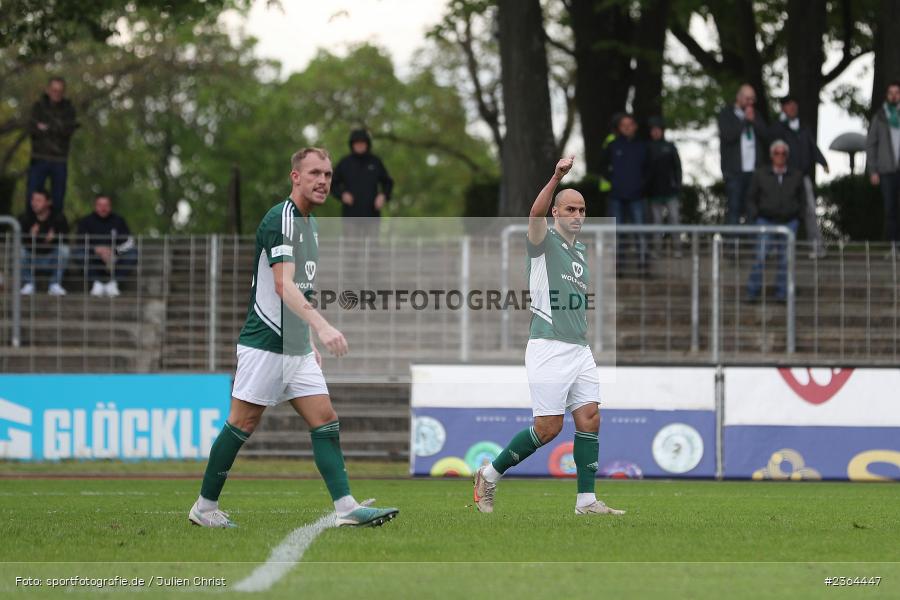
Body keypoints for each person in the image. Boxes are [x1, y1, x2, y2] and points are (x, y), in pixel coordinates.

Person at [188, 147, 398, 529]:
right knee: (242, 423)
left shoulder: (310, 225)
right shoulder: (281, 219)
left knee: (325, 420)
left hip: (296, 349)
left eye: (328, 175)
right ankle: (204, 508)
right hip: (266, 343)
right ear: (295, 177)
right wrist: (323, 327)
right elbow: (283, 285)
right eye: (315, 173)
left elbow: (302, 289)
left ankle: (346, 507)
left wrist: (309, 341)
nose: (323, 181)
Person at [472, 156, 624, 517]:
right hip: (549, 346)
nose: (577, 215)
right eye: (570, 209)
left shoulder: (580, 251)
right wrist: (556, 176)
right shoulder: (543, 242)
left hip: (579, 349)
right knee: (548, 428)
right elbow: (534, 215)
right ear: (556, 212)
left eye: (582, 210)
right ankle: (489, 474)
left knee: (590, 417)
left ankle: (586, 501)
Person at [745, 140, 804, 302]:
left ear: (787, 156)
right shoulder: (760, 174)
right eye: (777, 153)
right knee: (761, 256)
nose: (780, 156)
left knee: (786, 260)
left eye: (783, 153)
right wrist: (756, 215)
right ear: (772, 155)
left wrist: (798, 217)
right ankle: (752, 291)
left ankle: (782, 293)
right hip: (766, 220)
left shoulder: (796, 175)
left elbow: (802, 199)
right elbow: (751, 197)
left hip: (789, 221)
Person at [771, 96, 829, 257]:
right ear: (783, 109)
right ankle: (777, 247)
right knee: (781, 210)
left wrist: (822, 161)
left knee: (810, 210)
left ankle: (816, 247)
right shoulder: (779, 127)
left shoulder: (803, 127)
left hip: (803, 176)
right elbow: (771, 143)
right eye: (789, 106)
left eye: (794, 106)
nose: (792, 109)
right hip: (785, 177)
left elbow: (812, 146)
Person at [603, 114, 649, 273]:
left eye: (630, 124)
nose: (627, 128)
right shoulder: (612, 146)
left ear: (635, 126)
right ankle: (618, 268)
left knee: (640, 232)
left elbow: (649, 169)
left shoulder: (643, 146)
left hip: (638, 196)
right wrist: (614, 181)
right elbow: (602, 167)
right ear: (619, 128)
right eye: (624, 125)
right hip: (616, 196)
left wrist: (642, 185)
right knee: (617, 233)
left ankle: (643, 267)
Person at [26, 77, 79, 215]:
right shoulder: (38, 107)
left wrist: (46, 128)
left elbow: (68, 130)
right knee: (32, 196)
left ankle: (55, 226)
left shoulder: (69, 110)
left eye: (60, 91)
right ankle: (30, 225)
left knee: (58, 199)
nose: (56, 93)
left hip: (59, 160)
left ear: (63, 92)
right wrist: (56, 128)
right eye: (54, 90)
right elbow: (32, 129)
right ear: (48, 90)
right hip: (39, 158)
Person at [718, 84, 768, 225]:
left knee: (753, 210)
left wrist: (754, 121)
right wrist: (745, 121)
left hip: (754, 172)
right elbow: (728, 136)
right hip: (734, 173)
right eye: (747, 99)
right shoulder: (726, 114)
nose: (750, 102)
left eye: (753, 99)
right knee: (734, 210)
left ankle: (751, 239)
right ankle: (733, 239)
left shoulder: (756, 115)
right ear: (738, 97)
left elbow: (766, 136)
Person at [331, 129, 393, 240]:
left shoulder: (375, 162)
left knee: (373, 246)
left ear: (367, 144)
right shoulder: (345, 163)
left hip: (372, 214)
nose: (359, 145)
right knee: (351, 246)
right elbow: (332, 183)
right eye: (357, 142)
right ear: (352, 144)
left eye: (362, 142)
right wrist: (342, 194)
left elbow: (388, 182)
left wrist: (383, 195)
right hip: (351, 215)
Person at [75, 194, 137, 298]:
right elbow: (79, 241)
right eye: (100, 205)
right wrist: (95, 249)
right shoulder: (85, 221)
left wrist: (113, 251)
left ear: (110, 206)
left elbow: (129, 242)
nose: (103, 208)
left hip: (115, 259)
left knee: (133, 254)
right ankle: (96, 283)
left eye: (106, 205)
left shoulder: (119, 220)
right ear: (95, 206)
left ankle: (113, 284)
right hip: (92, 258)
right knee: (78, 254)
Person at [866, 81, 900, 244]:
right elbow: (871, 144)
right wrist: (873, 170)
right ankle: (894, 246)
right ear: (887, 95)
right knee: (890, 209)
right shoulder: (879, 117)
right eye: (891, 93)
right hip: (886, 171)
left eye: (897, 92)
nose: (894, 96)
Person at [18, 188, 69, 296]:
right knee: (19, 250)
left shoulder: (59, 217)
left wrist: (54, 238)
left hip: (51, 258)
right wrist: (30, 236)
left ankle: (54, 284)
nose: (34, 203)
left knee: (64, 250)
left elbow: (66, 239)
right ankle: (29, 283)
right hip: (31, 257)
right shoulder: (25, 217)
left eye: (38, 200)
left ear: (48, 202)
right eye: (33, 200)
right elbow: (19, 240)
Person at [645, 116, 683, 256]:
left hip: (670, 191)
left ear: (662, 131)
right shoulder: (647, 148)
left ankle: (677, 249)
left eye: (658, 129)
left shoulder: (670, 147)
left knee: (675, 219)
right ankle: (657, 250)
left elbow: (677, 168)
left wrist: (678, 185)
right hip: (654, 192)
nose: (655, 132)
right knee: (656, 222)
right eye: (653, 130)